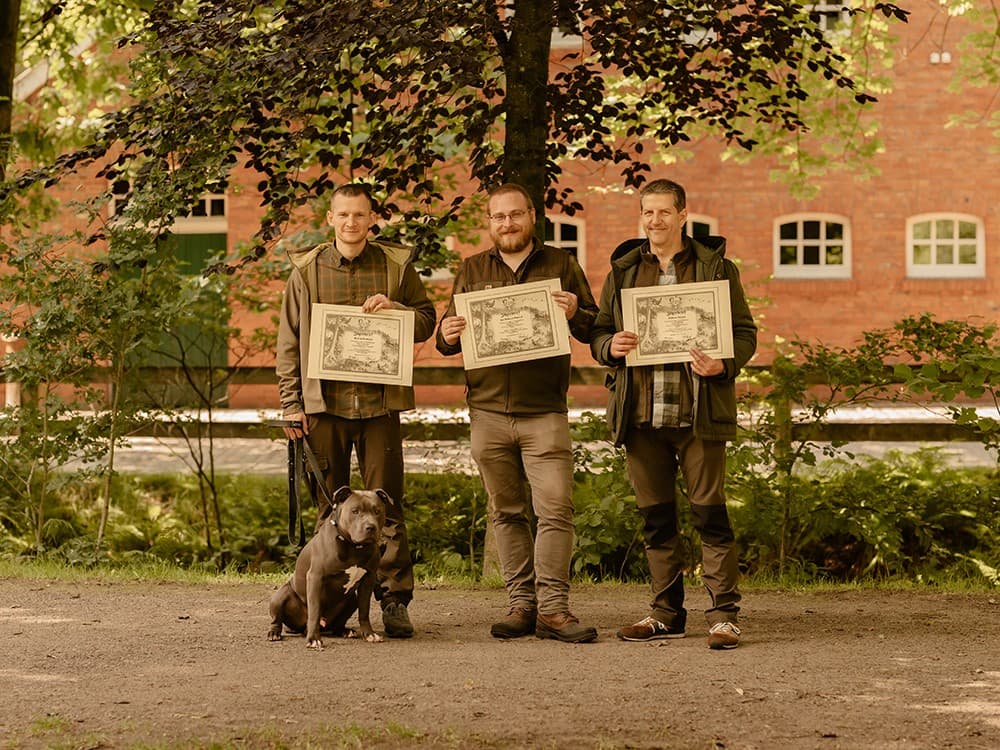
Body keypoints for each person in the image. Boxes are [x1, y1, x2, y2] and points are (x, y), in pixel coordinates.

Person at [589, 178, 757, 649]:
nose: (655, 221)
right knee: (656, 519)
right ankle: (666, 612)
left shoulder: (717, 268)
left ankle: (723, 615)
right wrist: (611, 346)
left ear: (683, 215)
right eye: (648, 213)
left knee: (711, 515)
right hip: (641, 413)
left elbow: (744, 332)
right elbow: (599, 332)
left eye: (664, 212)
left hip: (698, 412)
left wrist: (725, 363)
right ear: (640, 217)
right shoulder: (623, 272)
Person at [436, 183, 600, 643]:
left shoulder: (561, 264)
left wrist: (575, 312)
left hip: (543, 410)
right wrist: (448, 333)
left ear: (532, 216)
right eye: (497, 217)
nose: (506, 224)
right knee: (506, 512)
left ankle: (553, 609)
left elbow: (594, 325)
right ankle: (521, 605)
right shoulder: (471, 268)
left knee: (555, 510)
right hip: (486, 410)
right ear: (489, 223)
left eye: (514, 215)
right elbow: (447, 341)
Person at [276, 183, 437, 638]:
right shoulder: (306, 271)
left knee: (387, 507)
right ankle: (324, 605)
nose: (351, 222)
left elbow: (426, 322)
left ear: (371, 219)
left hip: (379, 405)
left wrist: (397, 309)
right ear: (331, 218)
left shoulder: (395, 265)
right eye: (343, 215)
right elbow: (288, 343)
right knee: (330, 509)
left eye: (360, 215)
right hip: (323, 406)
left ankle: (394, 601)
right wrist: (292, 404)